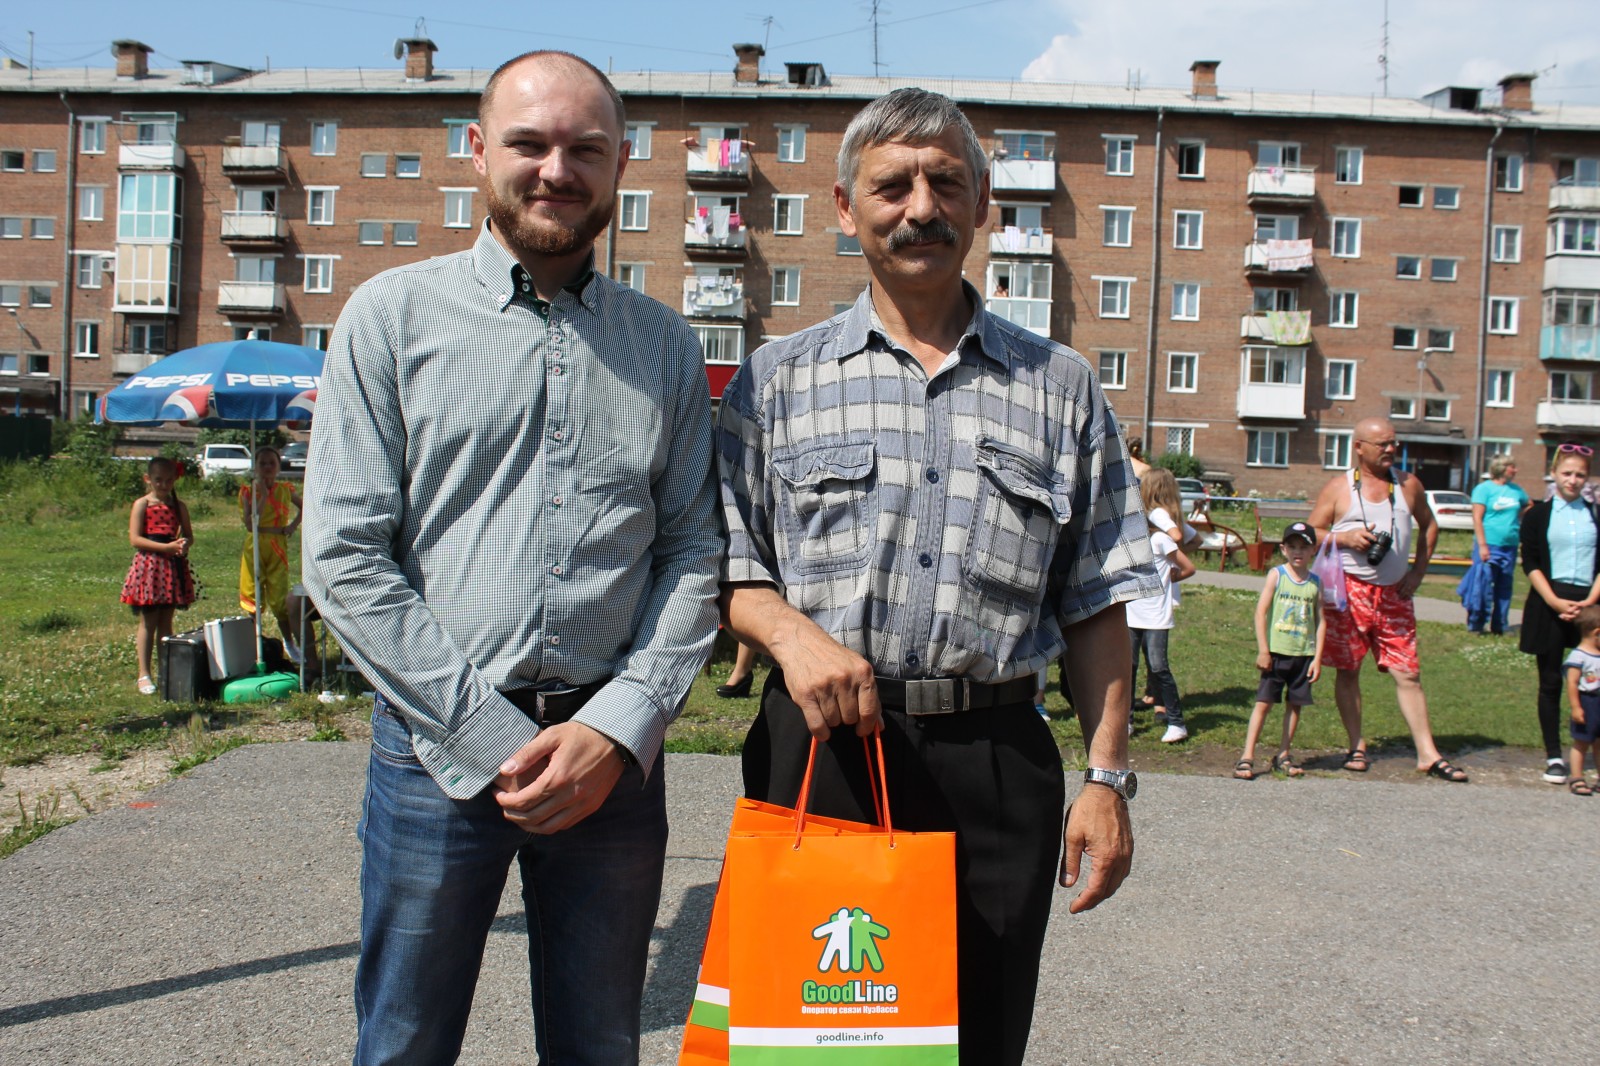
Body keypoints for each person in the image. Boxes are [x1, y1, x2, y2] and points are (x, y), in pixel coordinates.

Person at [716, 87, 1158, 1066]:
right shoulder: (775, 380)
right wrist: (793, 638)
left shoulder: (1060, 387)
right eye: (892, 186)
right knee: (813, 1045)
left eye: (945, 182)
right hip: (824, 756)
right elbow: (729, 567)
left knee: (977, 1038)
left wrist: (1106, 777)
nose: (920, 207)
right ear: (843, 207)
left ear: (983, 204)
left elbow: (1096, 600)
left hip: (996, 764)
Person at [302, 50, 723, 1065]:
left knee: (597, 1044)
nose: (555, 170)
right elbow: (345, 556)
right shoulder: (391, 317)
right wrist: (490, 733)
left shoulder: (664, 345)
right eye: (529, 143)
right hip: (436, 751)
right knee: (403, 1040)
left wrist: (618, 727)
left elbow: (693, 549)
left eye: (584, 148)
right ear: (477, 150)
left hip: (609, 764)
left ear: (623, 163)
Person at [1307, 416, 1469, 782]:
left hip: (1395, 594)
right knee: (1348, 670)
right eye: (1383, 444)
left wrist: (1417, 573)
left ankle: (1428, 754)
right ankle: (1356, 746)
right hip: (1348, 594)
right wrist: (1346, 539)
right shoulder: (1339, 488)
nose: (1391, 450)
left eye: (1393, 443)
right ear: (1360, 447)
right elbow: (1310, 532)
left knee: (1408, 673)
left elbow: (1429, 525)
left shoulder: (1409, 485)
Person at [1518, 444, 1600, 785]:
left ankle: (1592, 751)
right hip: (1549, 603)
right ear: (1554, 473)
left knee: (1594, 684)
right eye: (1567, 473)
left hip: (1590, 605)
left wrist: (1590, 603)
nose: (1573, 480)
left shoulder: (1595, 515)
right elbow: (1532, 563)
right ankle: (1554, 755)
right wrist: (1554, 601)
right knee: (1551, 681)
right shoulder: (1538, 515)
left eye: (1580, 474)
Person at [1236, 522, 1325, 780]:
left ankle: (1284, 754)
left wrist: (1317, 658)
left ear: (1312, 551)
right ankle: (1247, 756)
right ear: (1284, 549)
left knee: (1295, 706)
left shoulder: (1316, 582)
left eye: (1304, 547)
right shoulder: (1277, 574)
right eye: (1293, 546)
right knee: (1263, 704)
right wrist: (1264, 649)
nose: (1298, 552)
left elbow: (1321, 621)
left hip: (1303, 655)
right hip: (1276, 653)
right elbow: (1261, 611)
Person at [120, 456, 195, 695]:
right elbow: (135, 538)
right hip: (150, 565)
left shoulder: (178, 506)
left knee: (166, 621)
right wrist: (166, 548)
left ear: (175, 480)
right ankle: (144, 673)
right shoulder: (142, 504)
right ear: (148, 479)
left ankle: (166, 670)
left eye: (169, 480)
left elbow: (189, 534)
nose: (163, 485)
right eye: (158, 480)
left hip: (171, 566)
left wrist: (184, 544)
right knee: (148, 621)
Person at [1128, 486, 1197, 743]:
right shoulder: (1129, 540)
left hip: (1156, 615)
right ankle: (1127, 720)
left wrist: (1170, 577)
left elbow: (1188, 567)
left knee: (1158, 667)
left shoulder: (1159, 540)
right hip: (1131, 614)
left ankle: (1177, 722)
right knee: (1128, 666)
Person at [239, 445, 304, 662]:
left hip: (277, 544)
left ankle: (289, 642)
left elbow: (305, 507)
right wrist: (264, 495)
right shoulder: (248, 491)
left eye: (271, 463)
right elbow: (250, 522)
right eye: (262, 463)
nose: (267, 467)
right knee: (253, 592)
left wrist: (293, 525)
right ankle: (254, 642)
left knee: (279, 594)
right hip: (256, 543)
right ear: (255, 466)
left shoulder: (285, 488)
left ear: (278, 466)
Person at [1468, 454, 1531, 635]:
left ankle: (1500, 625)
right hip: (1489, 545)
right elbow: (1477, 518)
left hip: (1509, 545)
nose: (1516, 470)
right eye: (1512, 467)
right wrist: (1482, 545)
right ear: (1502, 468)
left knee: (1504, 586)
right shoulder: (1484, 489)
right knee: (1482, 586)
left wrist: (1519, 518)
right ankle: (1476, 624)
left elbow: (1528, 505)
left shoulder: (1516, 490)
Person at [1562, 604, 1600, 796]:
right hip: (1587, 702)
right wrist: (1576, 707)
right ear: (1597, 633)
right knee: (1582, 742)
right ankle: (1577, 777)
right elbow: (1572, 683)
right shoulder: (1578, 656)